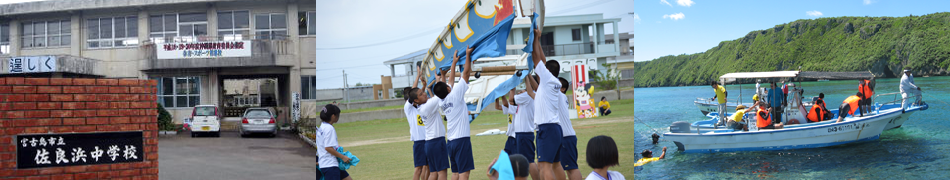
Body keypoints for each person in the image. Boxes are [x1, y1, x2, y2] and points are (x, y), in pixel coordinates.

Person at [433, 46, 476, 180]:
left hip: (451, 141)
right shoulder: (455, 95)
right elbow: (466, 74)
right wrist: (468, 55)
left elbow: (450, 82)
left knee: (456, 173)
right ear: (448, 89)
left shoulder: (442, 101)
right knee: (464, 173)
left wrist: (454, 63)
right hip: (461, 140)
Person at [410, 78, 448, 180]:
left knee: (433, 173)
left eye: (423, 92)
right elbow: (442, 91)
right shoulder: (427, 107)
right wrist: (441, 79)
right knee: (442, 173)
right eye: (421, 94)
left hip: (430, 143)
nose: (424, 94)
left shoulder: (423, 106)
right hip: (437, 141)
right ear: (416, 101)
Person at [516, 75, 542, 180]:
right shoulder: (531, 95)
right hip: (524, 132)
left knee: (529, 160)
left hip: (524, 132)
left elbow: (512, 99)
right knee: (527, 160)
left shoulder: (527, 95)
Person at [317, 104, 353, 180]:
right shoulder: (329, 129)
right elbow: (328, 148)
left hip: (327, 164)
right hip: (330, 165)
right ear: (333, 116)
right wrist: (343, 157)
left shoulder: (322, 126)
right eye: (338, 115)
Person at [555, 78, 581, 180]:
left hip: (566, 136)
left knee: (571, 168)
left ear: (562, 89)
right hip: (565, 136)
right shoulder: (558, 96)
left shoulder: (559, 95)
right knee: (562, 166)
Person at [405, 71, 429, 180]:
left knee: (428, 166)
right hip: (419, 141)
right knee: (418, 168)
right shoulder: (409, 109)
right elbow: (414, 92)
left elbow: (420, 95)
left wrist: (423, 86)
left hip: (428, 140)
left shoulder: (420, 107)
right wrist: (417, 76)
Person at [495, 92, 518, 156]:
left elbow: (505, 104)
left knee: (514, 157)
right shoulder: (510, 108)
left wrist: (502, 92)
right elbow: (497, 107)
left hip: (515, 137)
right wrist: (496, 96)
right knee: (506, 155)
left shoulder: (516, 109)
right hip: (510, 137)